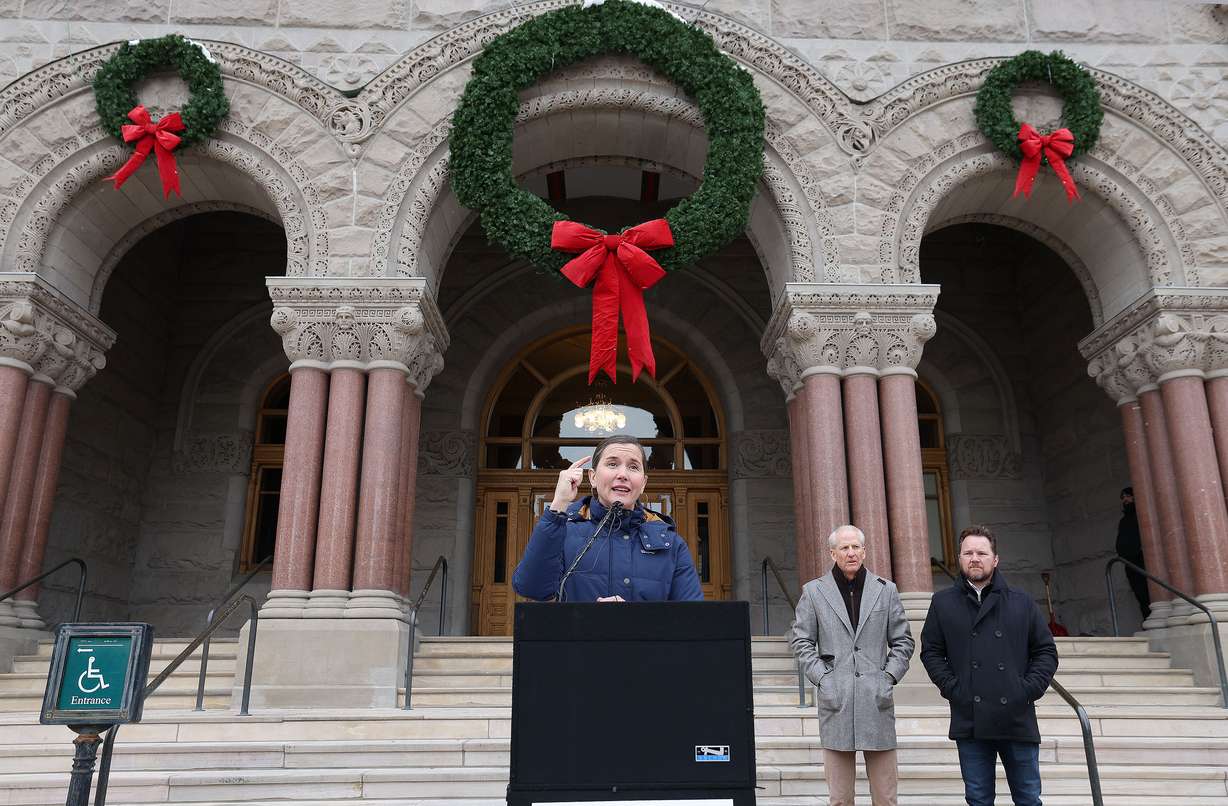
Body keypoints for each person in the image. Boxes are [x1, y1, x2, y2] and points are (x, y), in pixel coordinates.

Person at [920, 525, 1059, 806]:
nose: (975, 558)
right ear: (959, 558)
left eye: (982, 553)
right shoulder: (942, 603)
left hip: (1017, 718)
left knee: (1028, 799)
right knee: (978, 800)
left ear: (995, 559)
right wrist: (954, 689)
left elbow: (1046, 651)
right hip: (970, 719)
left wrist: (1026, 690)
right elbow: (931, 652)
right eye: (968, 553)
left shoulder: (1021, 601)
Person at [788, 525, 914, 806]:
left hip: (877, 699)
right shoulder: (814, 592)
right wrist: (823, 679)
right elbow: (801, 641)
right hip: (836, 700)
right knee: (840, 799)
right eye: (844, 548)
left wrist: (888, 677)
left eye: (856, 547)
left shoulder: (886, 590)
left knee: (886, 797)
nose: (851, 553)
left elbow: (903, 641)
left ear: (864, 551)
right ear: (833, 553)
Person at [512, 434, 702, 602]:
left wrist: (634, 618)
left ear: (643, 483)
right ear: (593, 477)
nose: (623, 474)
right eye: (612, 464)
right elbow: (531, 588)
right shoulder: (564, 531)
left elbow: (691, 619)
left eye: (633, 467)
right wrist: (558, 504)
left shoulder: (671, 544)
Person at [1115, 486, 1150, 620]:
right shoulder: (1124, 521)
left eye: (1128, 496)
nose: (1125, 500)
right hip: (1131, 565)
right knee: (1141, 597)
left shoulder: (1142, 516)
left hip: (1144, 562)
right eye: (1123, 497)